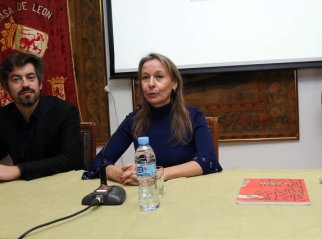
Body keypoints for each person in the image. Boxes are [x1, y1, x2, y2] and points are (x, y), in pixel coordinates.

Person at [84, 53, 222, 184]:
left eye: (159, 77)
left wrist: (156, 174)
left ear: (174, 83)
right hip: (149, 195)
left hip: (187, 193)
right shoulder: (134, 120)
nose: (150, 84)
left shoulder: (193, 116)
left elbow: (208, 160)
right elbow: (100, 161)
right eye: (145, 78)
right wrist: (123, 175)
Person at [0, 52, 83, 181]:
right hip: (22, 190)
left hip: (62, 185)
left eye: (31, 77)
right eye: (16, 79)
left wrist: (19, 170)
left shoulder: (65, 111)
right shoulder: (3, 117)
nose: (25, 84)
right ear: (6, 89)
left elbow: (72, 160)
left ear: (40, 84)